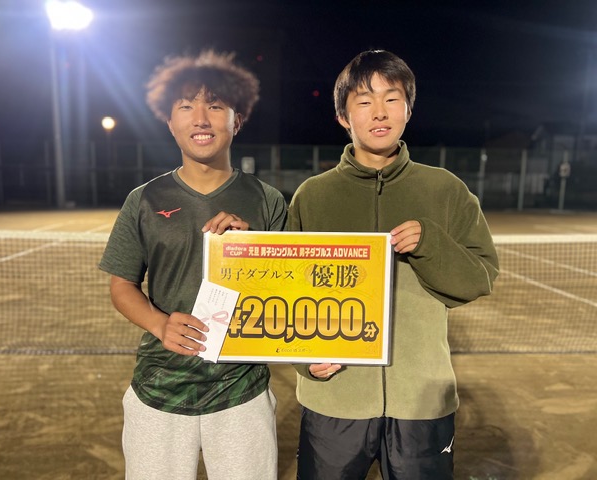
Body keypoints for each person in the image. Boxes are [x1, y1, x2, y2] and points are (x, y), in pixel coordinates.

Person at [287, 49, 500, 479]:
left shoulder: (445, 189)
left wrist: (430, 243)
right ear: (343, 117)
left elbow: (479, 279)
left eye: (392, 99)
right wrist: (305, 360)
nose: (379, 112)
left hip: (421, 403)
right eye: (364, 101)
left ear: (408, 109)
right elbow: (288, 293)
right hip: (334, 399)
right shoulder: (313, 195)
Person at [99, 50, 287, 480]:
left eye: (216, 106)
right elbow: (122, 285)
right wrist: (159, 324)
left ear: (237, 120)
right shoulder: (144, 199)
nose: (201, 118)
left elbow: (284, 295)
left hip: (241, 389)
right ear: (169, 121)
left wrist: (250, 250)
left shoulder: (268, 200)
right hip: (159, 388)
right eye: (186, 106)